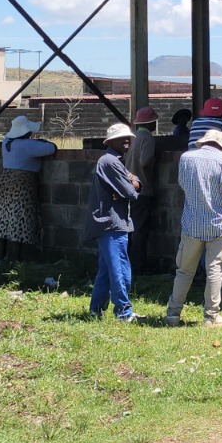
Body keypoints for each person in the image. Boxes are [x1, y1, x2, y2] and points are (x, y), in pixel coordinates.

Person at [166, 129, 222, 328]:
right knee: (214, 271)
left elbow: (182, 184)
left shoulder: (186, 158)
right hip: (219, 224)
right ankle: (211, 316)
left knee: (184, 270)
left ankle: (173, 313)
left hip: (191, 222)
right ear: (220, 144)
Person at [88, 123, 141, 321]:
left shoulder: (113, 161)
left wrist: (133, 182)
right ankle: (123, 312)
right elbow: (130, 192)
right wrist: (133, 183)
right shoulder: (110, 162)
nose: (127, 140)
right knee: (120, 269)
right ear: (110, 142)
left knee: (106, 270)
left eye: (128, 137)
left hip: (108, 223)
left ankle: (96, 310)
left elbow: (131, 186)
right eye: (121, 138)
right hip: (113, 223)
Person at [0, 115, 57, 262]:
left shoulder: (6, 142)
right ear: (26, 132)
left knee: (2, 220)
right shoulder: (27, 145)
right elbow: (51, 148)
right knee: (18, 221)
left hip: (5, 180)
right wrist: (41, 141)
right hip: (22, 183)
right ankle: (15, 259)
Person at [124, 106, 159, 272]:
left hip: (130, 189)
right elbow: (145, 161)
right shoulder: (148, 137)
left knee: (130, 229)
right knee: (140, 229)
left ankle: (128, 263)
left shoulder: (135, 137)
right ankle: (138, 266)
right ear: (151, 123)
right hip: (143, 190)